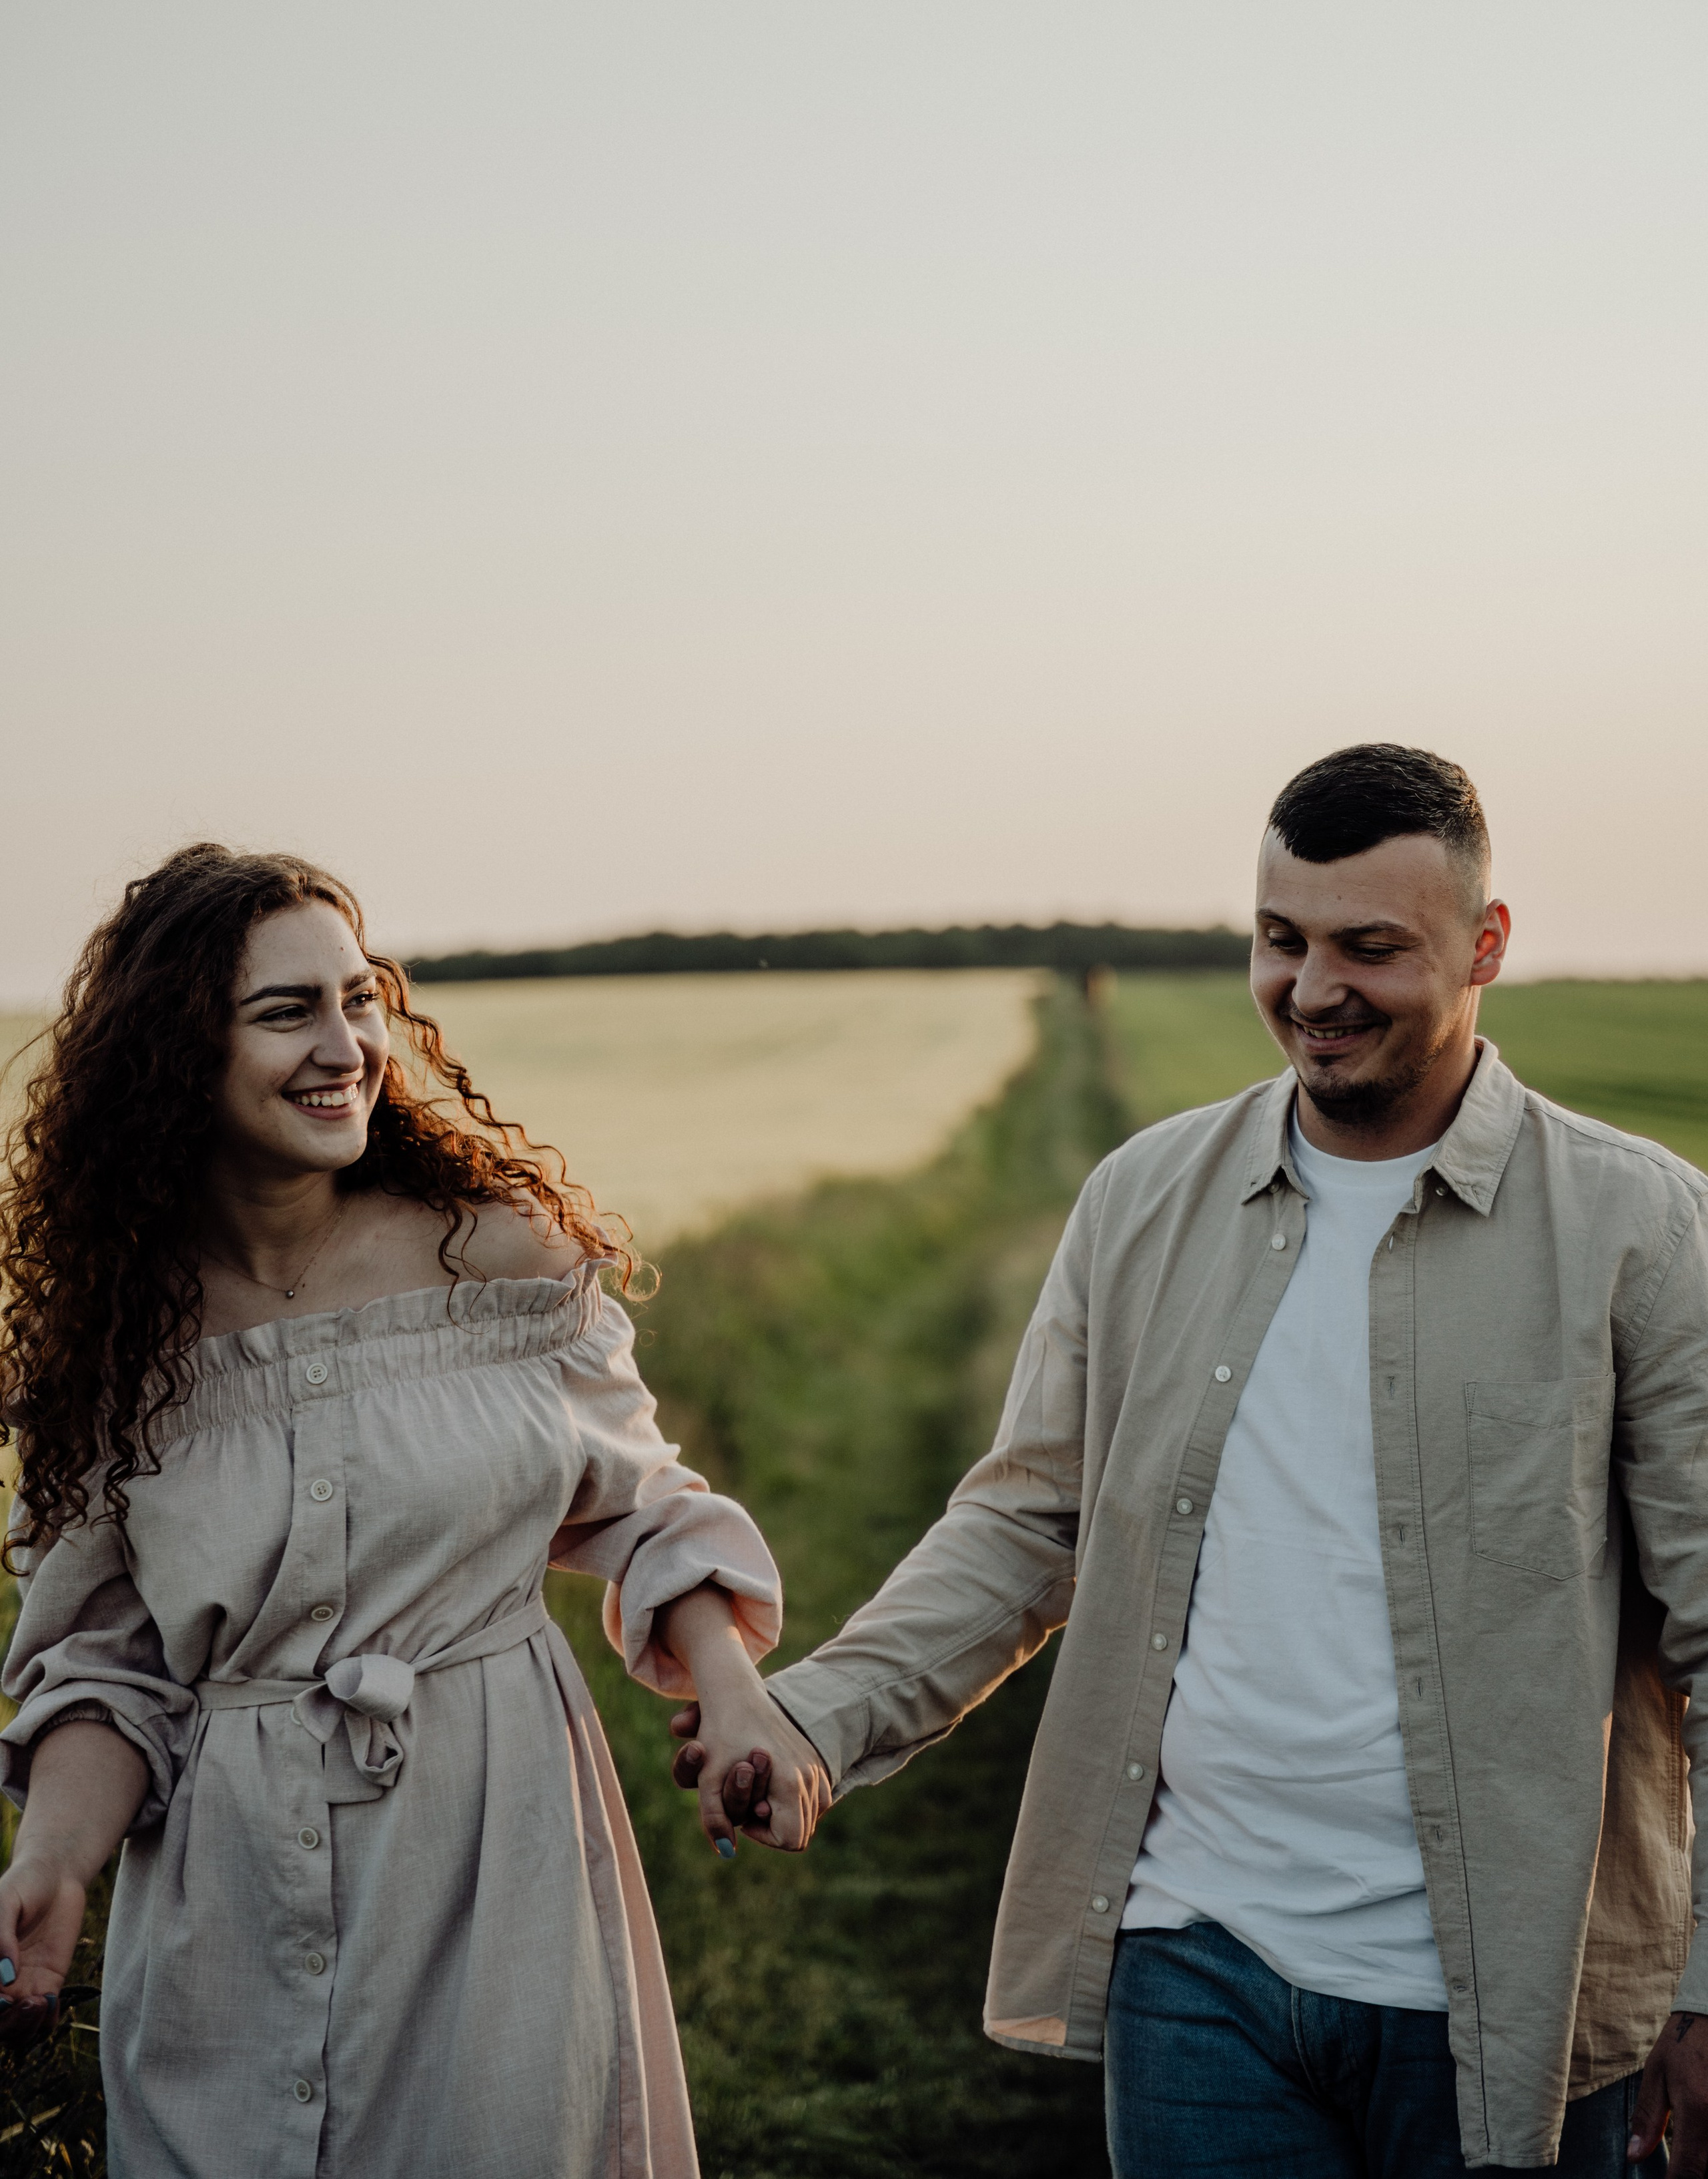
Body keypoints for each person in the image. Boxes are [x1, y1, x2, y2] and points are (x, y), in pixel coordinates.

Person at [677, 744, 1708, 2176]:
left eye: (1368, 946)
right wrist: (817, 1719)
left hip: (1508, 1996)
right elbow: (1027, 1525)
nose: (1312, 986)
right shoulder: (1140, 1199)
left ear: (1484, 946)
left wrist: (1702, 1975)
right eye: (1279, 939)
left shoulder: (1638, 1230)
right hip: (1195, 1955)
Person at [0, 844, 820, 2179]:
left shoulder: (496, 1253)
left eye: (362, 996)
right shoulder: (106, 1337)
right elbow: (104, 1663)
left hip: (492, 1847)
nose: (347, 1045)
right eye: (287, 1011)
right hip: (225, 1896)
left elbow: (642, 1505)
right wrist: (54, 1869)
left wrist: (731, 1689)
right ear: (172, 1052)